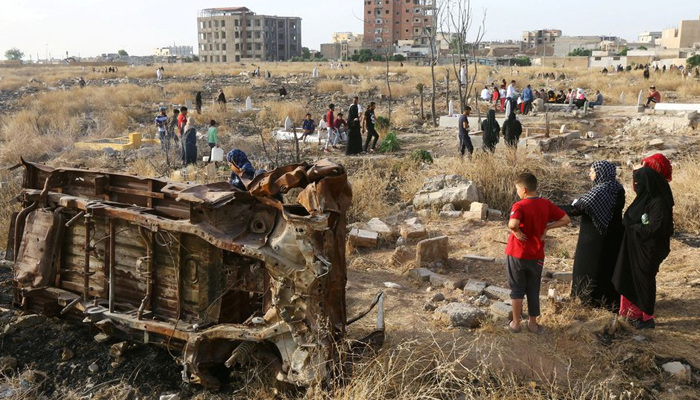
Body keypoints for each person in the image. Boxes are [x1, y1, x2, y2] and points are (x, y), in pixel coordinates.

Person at [612, 156, 674, 329]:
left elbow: (656, 228)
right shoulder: (645, 199)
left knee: (643, 281)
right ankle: (631, 314)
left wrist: (636, 227)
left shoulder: (659, 203)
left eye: (638, 183)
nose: (636, 186)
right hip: (635, 248)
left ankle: (645, 318)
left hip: (648, 250)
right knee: (630, 279)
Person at [506, 173, 571, 334]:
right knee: (533, 288)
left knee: (517, 289)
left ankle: (515, 323)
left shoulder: (519, 205)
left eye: (517, 189)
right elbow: (566, 219)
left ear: (524, 189)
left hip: (517, 253)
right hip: (536, 254)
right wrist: (547, 228)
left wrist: (516, 231)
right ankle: (533, 324)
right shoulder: (546, 204)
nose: (517, 192)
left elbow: (512, 224)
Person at [561, 161, 625, 310]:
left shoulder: (601, 190)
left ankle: (588, 302)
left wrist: (550, 208)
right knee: (606, 269)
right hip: (612, 237)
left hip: (594, 240)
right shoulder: (616, 188)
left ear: (600, 172)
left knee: (588, 269)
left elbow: (578, 209)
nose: (590, 174)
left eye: (592, 171)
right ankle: (607, 302)